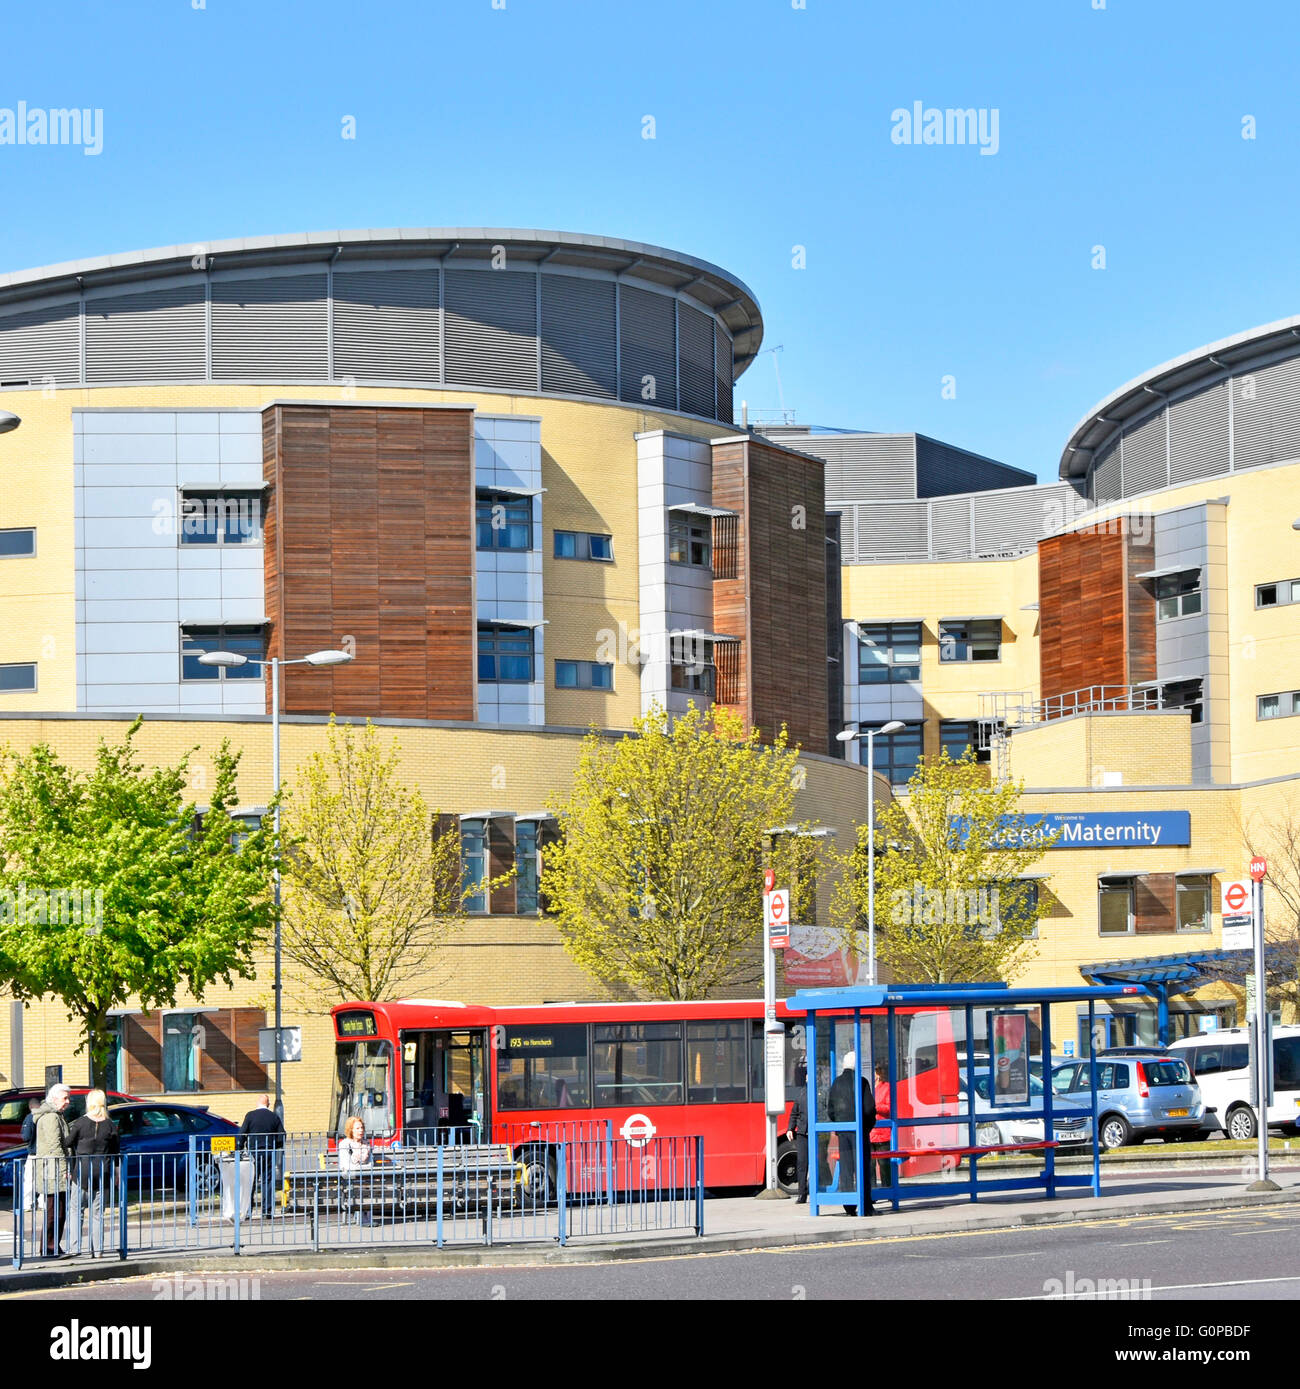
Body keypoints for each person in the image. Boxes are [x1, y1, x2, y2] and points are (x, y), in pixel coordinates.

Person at [64, 1089, 119, 1257]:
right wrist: (116, 1173)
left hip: (82, 1170)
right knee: (97, 1213)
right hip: (103, 1170)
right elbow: (116, 1150)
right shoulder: (110, 1125)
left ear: (89, 1103)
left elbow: (68, 1141)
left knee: (76, 1210)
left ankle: (75, 1247)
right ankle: (98, 1249)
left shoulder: (81, 1123)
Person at [827, 1050, 876, 1217]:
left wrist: (839, 1125)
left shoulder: (836, 1083)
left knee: (847, 1169)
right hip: (860, 1132)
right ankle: (866, 1205)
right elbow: (869, 1109)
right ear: (857, 1066)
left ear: (844, 1065)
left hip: (843, 1133)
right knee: (863, 1166)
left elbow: (830, 1109)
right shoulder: (861, 1082)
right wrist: (868, 1127)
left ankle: (849, 1206)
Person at [30, 1083, 72, 1256]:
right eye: (65, 1098)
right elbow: (56, 1147)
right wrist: (64, 1169)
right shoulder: (51, 1117)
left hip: (53, 1169)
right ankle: (49, 1247)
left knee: (58, 1210)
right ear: (54, 1098)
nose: (68, 1102)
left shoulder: (55, 1115)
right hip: (52, 1170)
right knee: (54, 1210)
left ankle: (52, 1246)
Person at [238, 1094, 285, 1218]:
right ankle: (267, 1211)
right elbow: (282, 1136)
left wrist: (239, 1147)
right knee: (267, 1181)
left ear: (257, 1103)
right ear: (268, 1104)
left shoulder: (250, 1115)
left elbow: (242, 1133)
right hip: (268, 1152)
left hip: (253, 1152)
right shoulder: (274, 1117)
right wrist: (276, 1145)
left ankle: (248, 1210)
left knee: (250, 1181)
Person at [338, 1115, 372, 1225]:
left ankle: (367, 1218)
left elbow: (371, 1164)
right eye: (357, 1128)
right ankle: (362, 1217)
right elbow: (346, 1165)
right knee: (360, 1187)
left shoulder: (366, 1144)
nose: (361, 1130)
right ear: (351, 1130)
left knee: (370, 1186)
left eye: (362, 1128)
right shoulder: (344, 1144)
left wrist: (363, 1169)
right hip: (350, 1178)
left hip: (366, 1177)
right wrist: (362, 1169)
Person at [785, 1062, 810, 1203]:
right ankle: (802, 1194)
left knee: (819, 1163)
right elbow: (794, 1113)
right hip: (802, 1133)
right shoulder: (802, 1093)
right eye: (806, 1075)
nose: (807, 1077)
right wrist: (790, 1128)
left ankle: (823, 1189)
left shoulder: (820, 1092)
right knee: (802, 1163)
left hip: (815, 1133)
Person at [870, 1061, 892, 1191]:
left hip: (882, 1131)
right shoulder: (868, 1088)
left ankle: (887, 1190)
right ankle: (872, 1192)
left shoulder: (886, 1088)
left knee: (884, 1164)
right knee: (870, 1164)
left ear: (877, 1074)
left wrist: (875, 1107)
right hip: (870, 1132)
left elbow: (889, 1108)